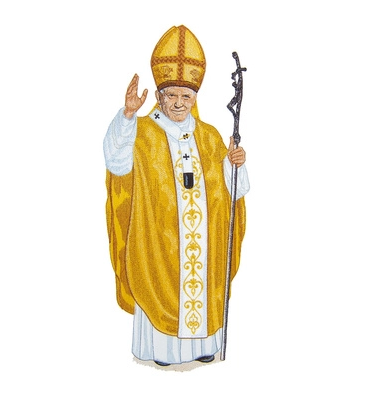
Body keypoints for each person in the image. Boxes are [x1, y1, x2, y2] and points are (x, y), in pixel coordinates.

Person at [103, 25, 250, 366]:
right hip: (157, 241)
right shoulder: (141, 131)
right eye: (172, 95)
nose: (179, 103)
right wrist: (127, 115)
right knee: (160, 282)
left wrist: (234, 164)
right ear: (159, 96)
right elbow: (116, 162)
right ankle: (161, 351)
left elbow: (233, 192)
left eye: (187, 96)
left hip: (203, 242)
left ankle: (204, 347)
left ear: (195, 98)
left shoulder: (210, 136)